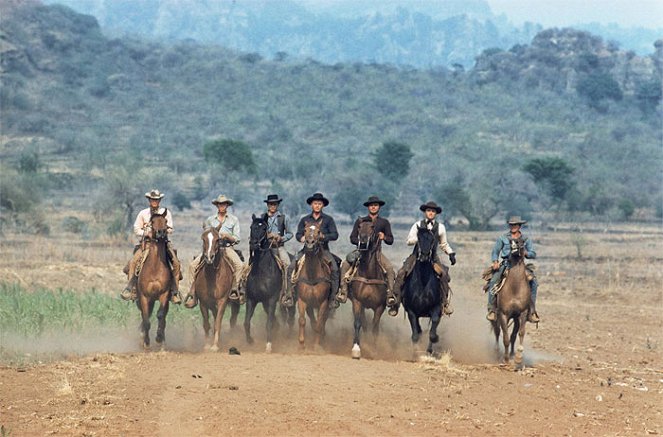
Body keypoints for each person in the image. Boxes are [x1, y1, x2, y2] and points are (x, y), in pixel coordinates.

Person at [392, 201, 456, 317]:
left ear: (436, 213)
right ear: (425, 212)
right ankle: (395, 302)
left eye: (433, 211)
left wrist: (451, 253)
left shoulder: (440, 227)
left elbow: (444, 244)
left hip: (433, 258)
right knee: (401, 273)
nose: (431, 213)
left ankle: (444, 303)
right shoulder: (417, 225)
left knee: (444, 275)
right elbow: (409, 241)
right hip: (416, 256)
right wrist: (419, 238)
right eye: (428, 211)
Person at [120, 189, 182, 304]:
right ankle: (131, 289)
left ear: (160, 200)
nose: (155, 202)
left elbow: (171, 228)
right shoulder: (143, 213)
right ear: (149, 200)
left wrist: (163, 231)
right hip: (147, 244)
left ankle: (175, 292)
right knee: (133, 262)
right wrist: (146, 233)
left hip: (163, 243)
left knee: (176, 264)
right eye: (153, 199)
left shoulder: (166, 213)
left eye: (157, 200)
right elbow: (136, 229)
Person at [183, 195, 244, 308]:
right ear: (217, 205)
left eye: (224, 204)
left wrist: (227, 236)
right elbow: (206, 234)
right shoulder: (210, 220)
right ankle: (192, 293)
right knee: (192, 266)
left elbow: (237, 238)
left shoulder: (233, 220)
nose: (222, 206)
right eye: (220, 204)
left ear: (227, 205)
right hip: (211, 248)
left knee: (239, 265)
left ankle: (235, 288)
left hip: (227, 247)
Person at [337, 196, 395, 309]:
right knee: (344, 265)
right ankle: (343, 291)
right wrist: (360, 241)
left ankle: (390, 294)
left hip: (376, 252)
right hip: (360, 251)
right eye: (371, 205)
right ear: (368, 207)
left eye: (376, 205)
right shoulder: (360, 221)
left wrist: (384, 237)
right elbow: (352, 237)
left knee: (389, 269)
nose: (373, 207)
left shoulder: (384, 222)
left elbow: (391, 240)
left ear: (379, 207)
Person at [283, 192, 340, 308]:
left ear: (323, 205)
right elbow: (298, 234)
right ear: (311, 205)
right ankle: (289, 294)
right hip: (306, 251)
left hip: (323, 250)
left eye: (319, 204)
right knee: (291, 267)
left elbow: (335, 235)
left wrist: (324, 237)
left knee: (334, 268)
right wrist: (301, 237)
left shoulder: (328, 220)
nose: (317, 206)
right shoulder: (305, 219)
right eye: (315, 203)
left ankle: (333, 297)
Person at [485, 216, 539, 323]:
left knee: (534, 283)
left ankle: (531, 311)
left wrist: (526, 253)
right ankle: (492, 310)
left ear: (519, 226)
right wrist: (495, 261)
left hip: (521, 265)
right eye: (511, 225)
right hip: (506, 265)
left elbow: (533, 253)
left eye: (515, 225)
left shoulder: (526, 239)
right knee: (493, 281)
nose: (513, 227)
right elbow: (495, 251)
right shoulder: (503, 238)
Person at [261, 194, 293, 301]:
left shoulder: (284, 218)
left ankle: (287, 291)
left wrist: (281, 238)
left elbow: (290, 234)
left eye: (275, 204)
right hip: (265, 248)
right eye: (270, 204)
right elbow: (258, 232)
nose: (272, 206)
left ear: (278, 205)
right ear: (267, 205)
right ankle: (246, 289)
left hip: (279, 247)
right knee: (251, 264)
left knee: (287, 264)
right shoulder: (262, 217)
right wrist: (267, 235)